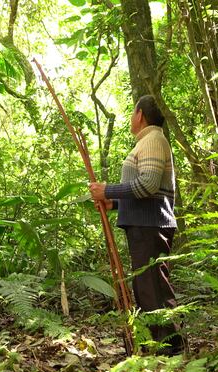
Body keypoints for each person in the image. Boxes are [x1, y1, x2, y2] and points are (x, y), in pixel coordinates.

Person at [89, 95, 184, 355]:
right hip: (145, 223)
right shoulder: (149, 141)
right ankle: (156, 345)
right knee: (147, 287)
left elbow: (149, 184)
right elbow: (147, 191)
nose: (131, 117)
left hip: (150, 225)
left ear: (140, 114)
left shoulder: (153, 140)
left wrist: (109, 190)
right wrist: (115, 204)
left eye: (132, 113)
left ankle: (169, 348)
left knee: (152, 287)